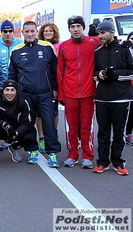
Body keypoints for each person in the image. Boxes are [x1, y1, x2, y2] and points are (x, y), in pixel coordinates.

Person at [8, 21, 61, 168]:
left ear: (36, 31)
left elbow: (55, 71)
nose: (30, 34)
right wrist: (13, 93)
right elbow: (12, 75)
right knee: (28, 123)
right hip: (25, 94)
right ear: (22, 33)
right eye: (27, 31)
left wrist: (55, 89)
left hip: (45, 93)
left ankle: (52, 153)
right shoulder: (16, 51)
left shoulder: (47, 47)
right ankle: (32, 150)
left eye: (32, 31)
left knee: (49, 123)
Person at [57, 16, 101, 169]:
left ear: (83, 28)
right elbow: (60, 72)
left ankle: (88, 156)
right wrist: (61, 94)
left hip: (89, 93)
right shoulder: (63, 46)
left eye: (78, 26)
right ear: (69, 29)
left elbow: (107, 48)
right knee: (71, 126)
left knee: (87, 126)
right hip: (70, 93)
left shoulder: (93, 43)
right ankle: (72, 154)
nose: (75, 29)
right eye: (72, 27)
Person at [93, 21, 133, 176]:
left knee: (118, 132)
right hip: (102, 98)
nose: (99, 36)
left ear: (111, 32)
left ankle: (118, 162)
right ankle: (102, 162)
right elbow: (94, 71)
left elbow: (131, 71)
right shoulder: (98, 51)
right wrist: (99, 75)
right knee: (102, 132)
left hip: (121, 98)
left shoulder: (125, 49)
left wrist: (115, 75)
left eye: (102, 33)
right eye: (98, 33)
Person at [0, 79, 38, 167]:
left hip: (15, 131)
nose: (9, 93)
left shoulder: (23, 102)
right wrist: (2, 123)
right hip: (1, 128)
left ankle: (14, 147)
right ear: (3, 90)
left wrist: (17, 132)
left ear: (16, 91)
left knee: (30, 136)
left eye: (12, 90)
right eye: (7, 90)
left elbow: (27, 123)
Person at [36, 22, 61, 154]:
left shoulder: (58, 46)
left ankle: (51, 135)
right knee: (39, 114)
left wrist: (57, 86)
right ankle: (42, 138)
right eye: (45, 31)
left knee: (54, 112)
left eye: (51, 31)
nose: (48, 33)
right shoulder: (38, 46)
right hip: (40, 85)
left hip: (54, 83)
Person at [0, 20, 23, 86]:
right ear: (2, 32)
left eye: (10, 31)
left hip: (18, 83)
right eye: (5, 31)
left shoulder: (21, 42)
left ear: (13, 31)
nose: (8, 33)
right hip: (0, 84)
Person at [122, 31, 133, 145]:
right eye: (132, 38)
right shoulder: (125, 49)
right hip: (127, 86)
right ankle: (126, 134)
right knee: (127, 113)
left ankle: (129, 134)